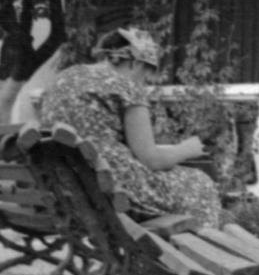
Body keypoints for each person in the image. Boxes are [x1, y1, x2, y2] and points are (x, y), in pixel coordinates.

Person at [36, 28, 222, 227]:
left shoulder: (64, 77)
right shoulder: (125, 86)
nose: (143, 83)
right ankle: (200, 243)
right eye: (145, 76)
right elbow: (151, 160)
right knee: (199, 182)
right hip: (111, 187)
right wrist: (186, 149)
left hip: (66, 184)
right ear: (135, 63)